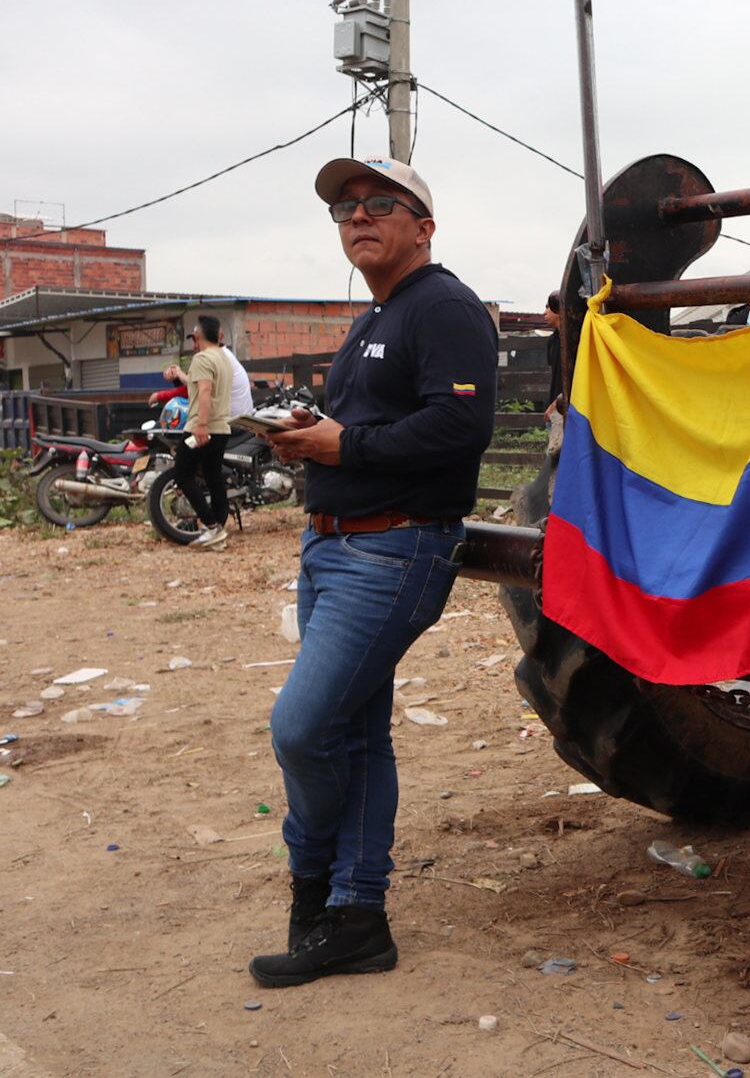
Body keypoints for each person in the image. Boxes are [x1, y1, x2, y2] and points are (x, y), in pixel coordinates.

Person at [250, 156, 496, 988]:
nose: (359, 216)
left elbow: (460, 427)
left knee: (301, 728)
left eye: (380, 204)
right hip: (331, 546)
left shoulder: (445, 307)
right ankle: (353, 921)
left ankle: (314, 878)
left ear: (423, 227)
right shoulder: (372, 318)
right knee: (356, 733)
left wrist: (340, 444)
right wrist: (307, 430)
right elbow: (365, 423)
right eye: (346, 208)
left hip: (391, 550)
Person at [174, 315, 234, 550]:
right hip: (222, 428)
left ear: (197, 336)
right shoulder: (224, 358)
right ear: (219, 335)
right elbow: (202, 386)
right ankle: (218, 527)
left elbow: (205, 391)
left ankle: (210, 526)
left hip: (201, 428)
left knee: (182, 475)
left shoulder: (201, 358)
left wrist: (200, 424)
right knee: (213, 476)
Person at [543, 291, 563, 418]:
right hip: (555, 407)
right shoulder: (552, 341)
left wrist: (557, 403)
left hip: (569, 405)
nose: (545, 312)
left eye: (547, 307)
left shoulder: (576, 339)